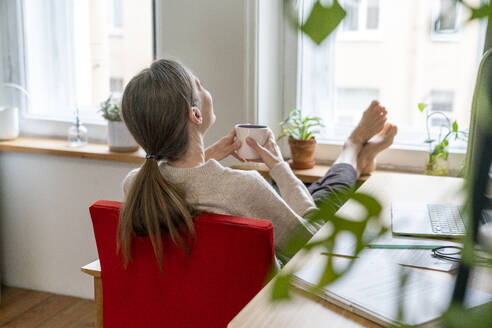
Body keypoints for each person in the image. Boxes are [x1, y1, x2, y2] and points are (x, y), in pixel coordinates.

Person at [118, 59, 397, 268]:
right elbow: (311, 243)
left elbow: (186, 179)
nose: (206, 90)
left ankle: (359, 158)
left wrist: (210, 153)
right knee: (325, 197)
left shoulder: (136, 185)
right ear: (195, 115)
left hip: (203, 307)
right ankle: (353, 145)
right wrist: (279, 168)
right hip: (269, 307)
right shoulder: (241, 188)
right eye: (200, 86)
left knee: (315, 192)